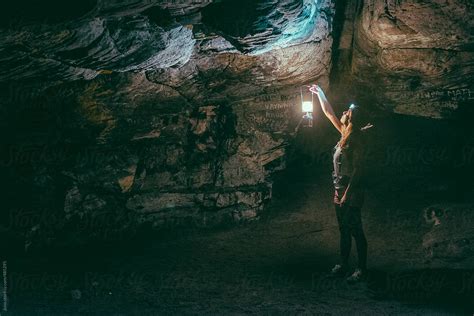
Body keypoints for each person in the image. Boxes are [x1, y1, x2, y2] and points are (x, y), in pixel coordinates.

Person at [309, 84, 373, 283]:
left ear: (352, 118)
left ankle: (361, 269)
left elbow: (358, 170)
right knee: (344, 229)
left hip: (351, 192)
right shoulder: (345, 133)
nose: (343, 112)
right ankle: (344, 264)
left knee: (356, 229)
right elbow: (329, 113)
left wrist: (346, 195)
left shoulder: (356, 141)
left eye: (348, 111)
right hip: (340, 189)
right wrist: (320, 93)